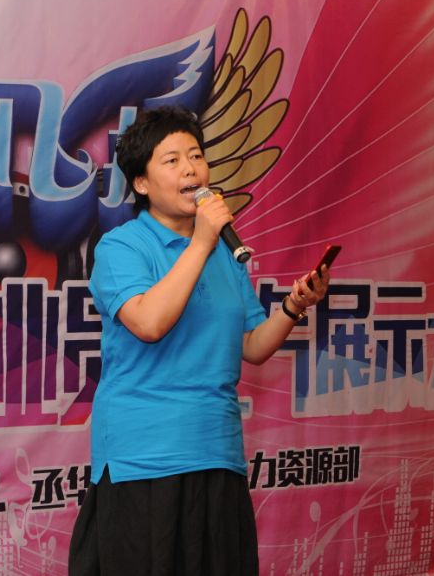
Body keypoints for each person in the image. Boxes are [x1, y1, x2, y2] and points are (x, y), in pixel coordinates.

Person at [68, 105, 330, 575]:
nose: (191, 169)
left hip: (217, 451)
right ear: (142, 183)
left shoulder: (225, 254)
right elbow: (149, 323)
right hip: (145, 458)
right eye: (172, 161)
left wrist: (294, 306)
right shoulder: (123, 247)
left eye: (196, 156)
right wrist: (202, 243)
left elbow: (252, 346)